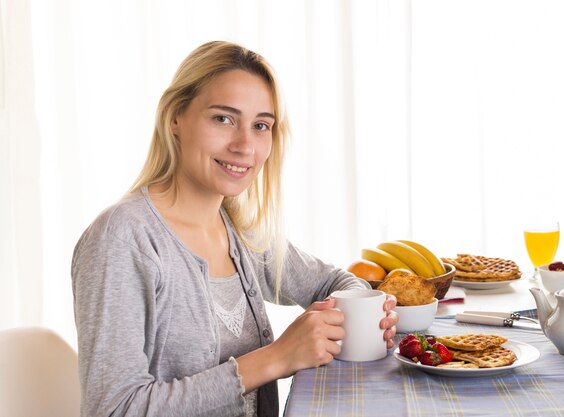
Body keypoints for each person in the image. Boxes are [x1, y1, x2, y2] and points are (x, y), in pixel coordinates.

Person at [71, 40, 398, 417]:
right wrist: (276, 357)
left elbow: (335, 283)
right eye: (223, 118)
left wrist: (359, 314)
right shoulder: (123, 238)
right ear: (176, 117)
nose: (245, 145)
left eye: (261, 126)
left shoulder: (240, 230)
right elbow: (113, 409)